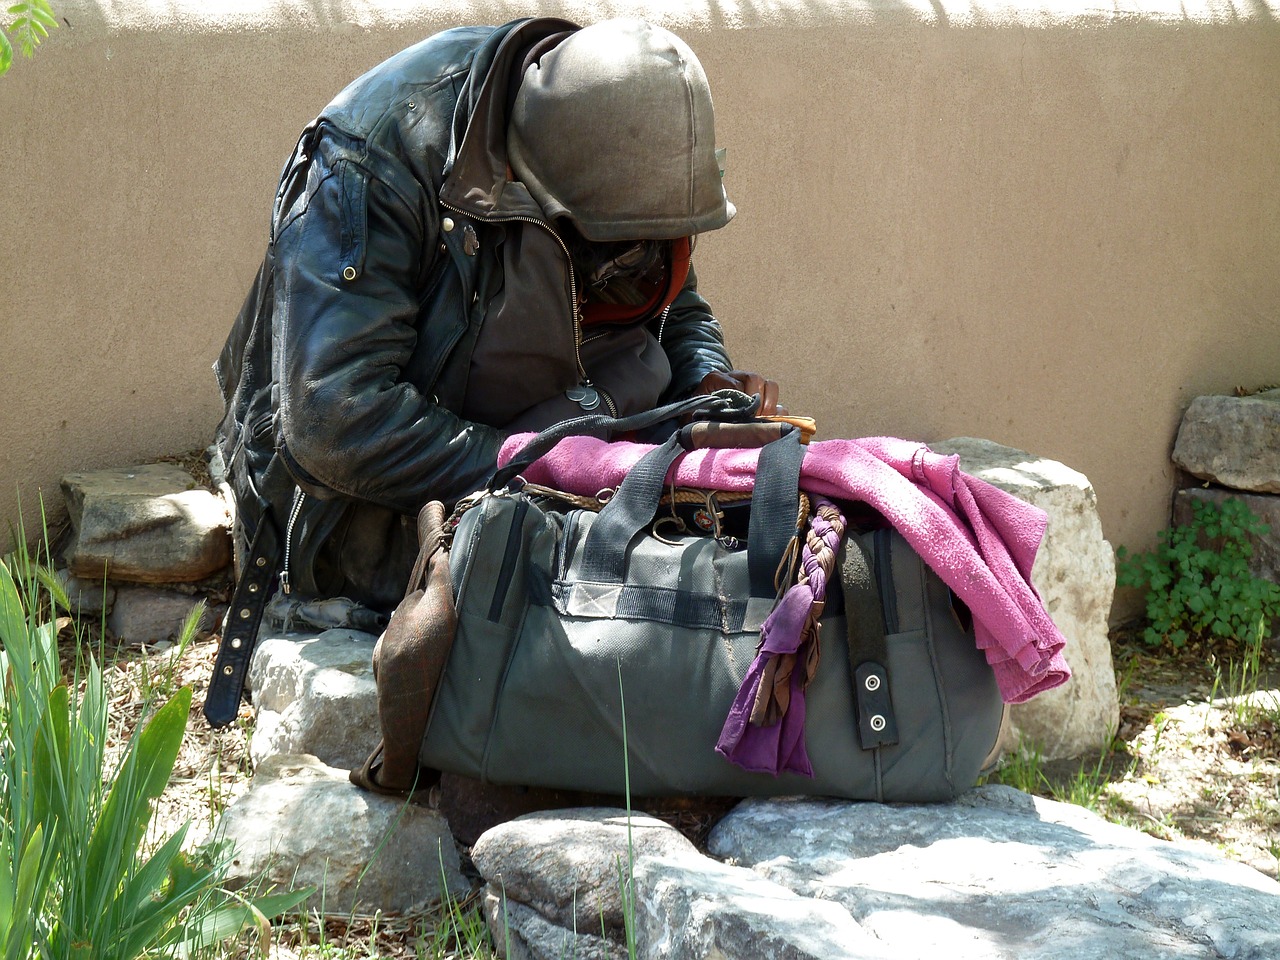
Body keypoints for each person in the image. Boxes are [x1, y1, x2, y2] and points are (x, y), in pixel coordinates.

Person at [211, 16, 780, 639]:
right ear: (536, 190)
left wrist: (706, 383)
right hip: (370, 505)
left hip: (558, 453)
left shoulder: (610, 116)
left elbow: (671, 293)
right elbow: (335, 420)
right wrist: (544, 468)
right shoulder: (372, 160)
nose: (641, 253)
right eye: (616, 243)